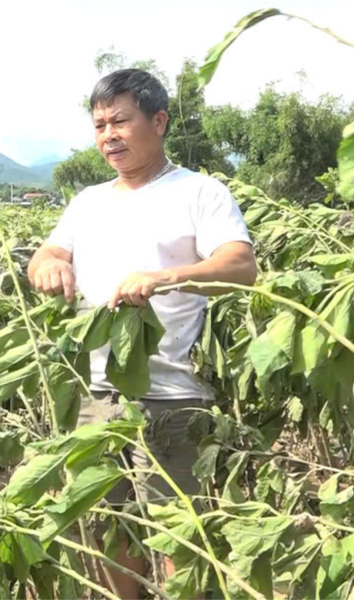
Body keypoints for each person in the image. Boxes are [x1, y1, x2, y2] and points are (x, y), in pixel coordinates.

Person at [28, 68, 257, 599]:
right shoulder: (87, 200)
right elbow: (51, 251)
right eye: (100, 124)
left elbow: (240, 264)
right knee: (111, 529)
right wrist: (47, 264)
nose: (109, 134)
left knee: (180, 537)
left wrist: (167, 276)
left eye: (121, 121)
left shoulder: (200, 191)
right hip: (98, 393)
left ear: (158, 121)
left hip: (172, 394)